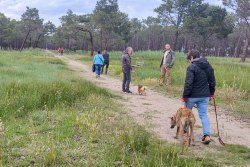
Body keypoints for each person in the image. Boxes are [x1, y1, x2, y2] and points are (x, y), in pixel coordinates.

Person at [182, 50, 216, 144]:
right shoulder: (209, 66)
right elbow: (212, 82)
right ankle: (207, 136)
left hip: (192, 96)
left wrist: (185, 96)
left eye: (189, 59)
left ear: (192, 57)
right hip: (205, 95)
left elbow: (188, 83)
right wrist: (211, 93)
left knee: (186, 115)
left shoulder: (191, 67)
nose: (189, 61)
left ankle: (185, 134)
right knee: (204, 115)